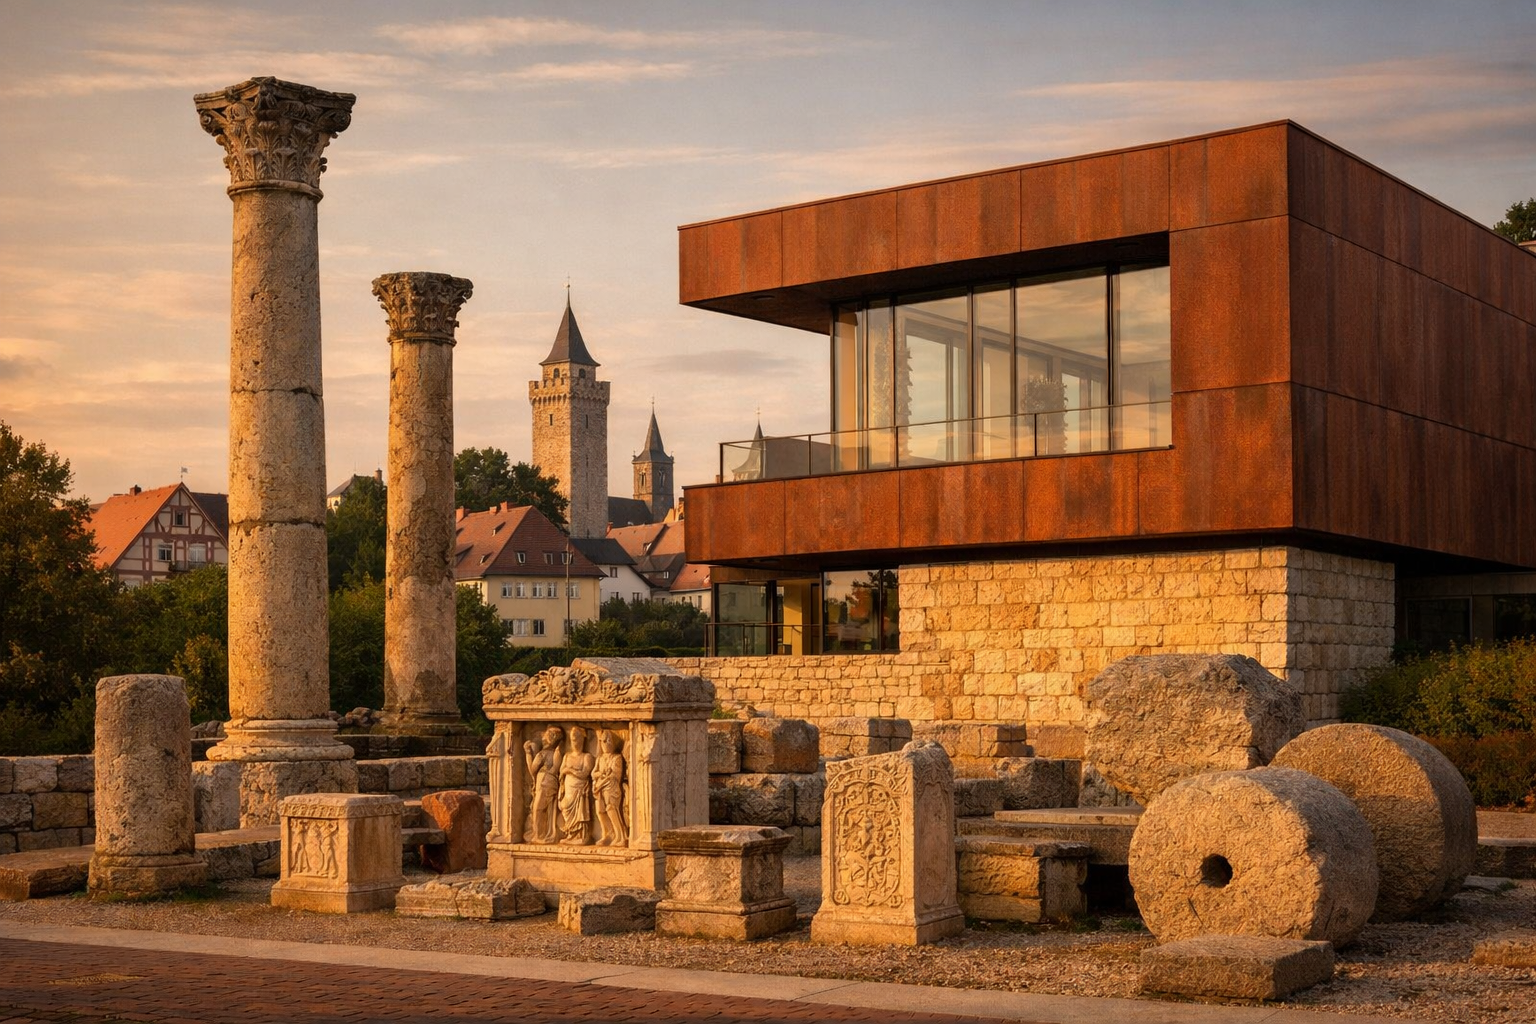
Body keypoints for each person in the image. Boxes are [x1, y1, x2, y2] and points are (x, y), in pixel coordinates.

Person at [523, 725, 564, 843]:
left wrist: (527, 753)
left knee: (537, 809)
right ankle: (543, 833)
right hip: (551, 782)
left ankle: (539, 835)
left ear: (549, 738)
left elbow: (532, 769)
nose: (542, 737)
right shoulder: (556, 754)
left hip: (544, 781)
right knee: (544, 809)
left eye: (545, 735)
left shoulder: (543, 754)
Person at [558, 725, 596, 845]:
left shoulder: (587, 757)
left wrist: (570, 770)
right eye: (573, 739)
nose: (575, 742)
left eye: (577, 739)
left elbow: (585, 773)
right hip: (568, 789)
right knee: (565, 808)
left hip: (579, 790)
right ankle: (570, 835)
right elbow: (561, 773)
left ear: (582, 740)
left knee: (580, 813)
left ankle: (581, 836)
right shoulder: (567, 756)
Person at [592, 729, 628, 846]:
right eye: (603, 741)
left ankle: (621, 836)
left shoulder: (616, 758)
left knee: (612, 810)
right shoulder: (600, 758)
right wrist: (601, 774)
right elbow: (593, 773)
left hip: (611, 788)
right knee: (600, 811)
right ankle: (608, 834)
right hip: (600, 789)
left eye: (608, 740)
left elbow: (615, 775)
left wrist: (601, 782)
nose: (606, 743)